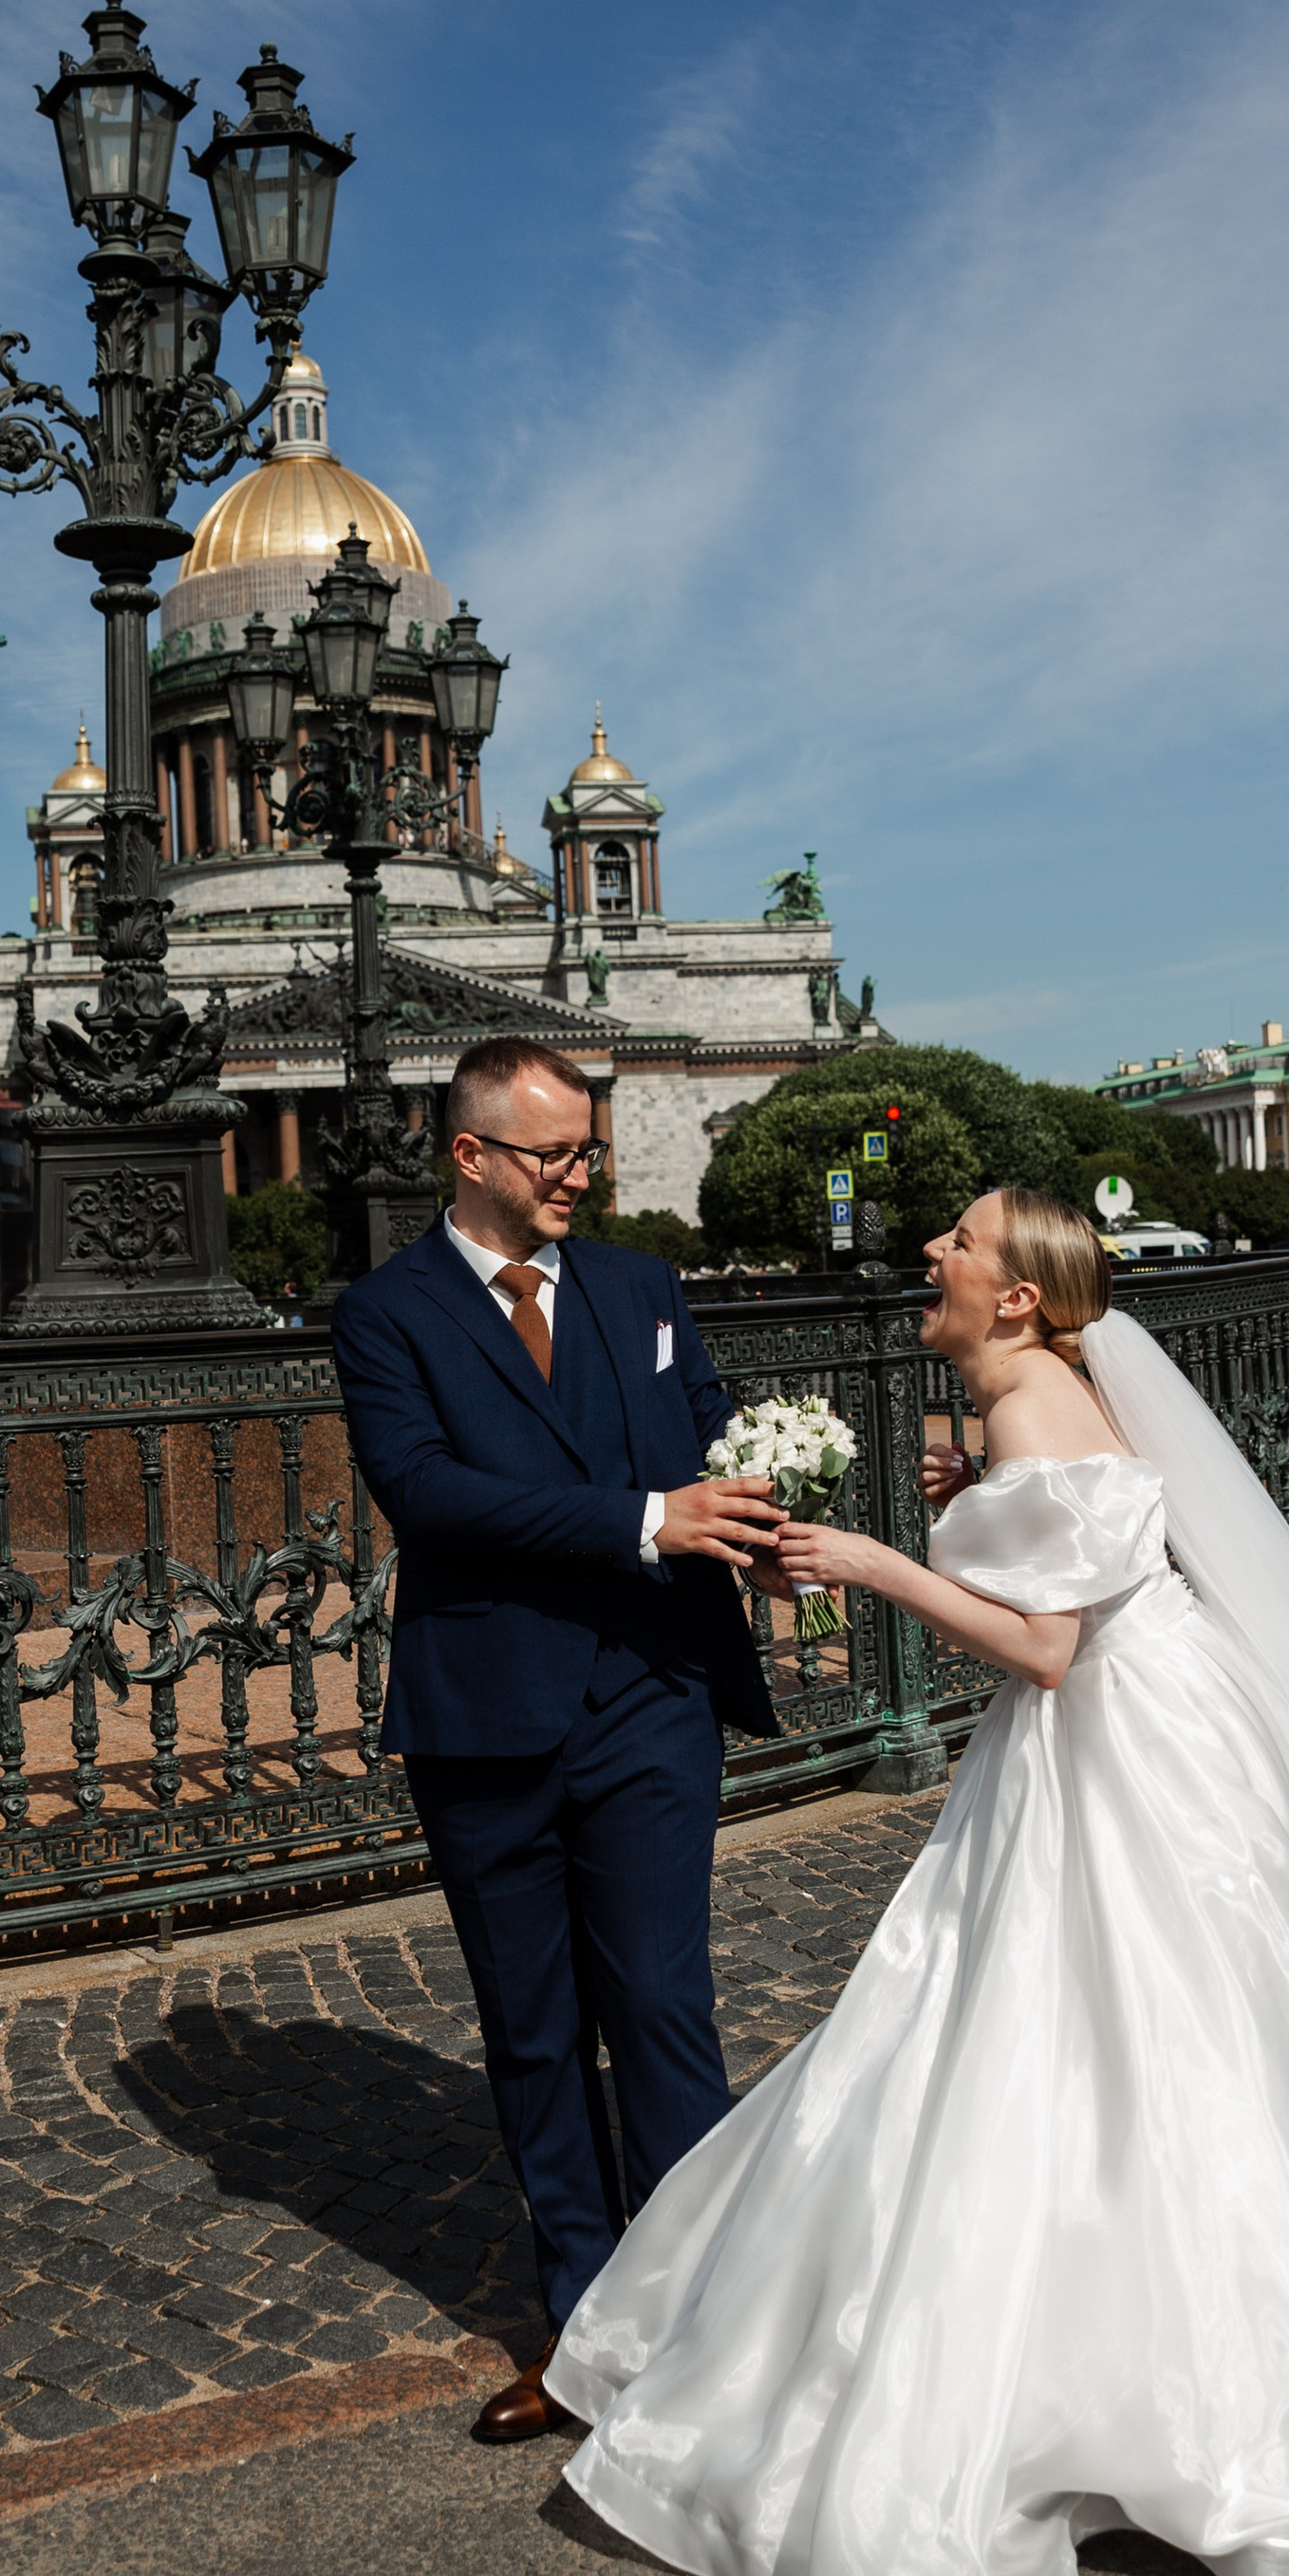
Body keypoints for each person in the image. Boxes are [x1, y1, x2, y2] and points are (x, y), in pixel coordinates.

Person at [550, 1186, 1289, 2576]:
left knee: (1056, 2029)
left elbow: (1042, 1648)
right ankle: (1209, 2369)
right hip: (1162, 1726)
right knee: (1155, 2041)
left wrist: (877, 1560)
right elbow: (1107, 1527)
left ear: (1016, 1298)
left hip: (1116, 1748)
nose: (932, 1261)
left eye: (955, 1245)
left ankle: (1106, 2395)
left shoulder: (1037, 1409)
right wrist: (977, 1495)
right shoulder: (1059, 1390)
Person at [330, 1036, 781, 2444]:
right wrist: (647, 1522)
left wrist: (765, 1513)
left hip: (652, 1694)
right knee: (532, 2035)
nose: (582, 1175)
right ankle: (586, 2339)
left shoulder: (644, 1289)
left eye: (589, 1150)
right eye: (553, 1155)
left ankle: (710, 2320)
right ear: (468, 1156)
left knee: (658, 2007)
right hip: (489, 1719)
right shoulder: (384, 1314)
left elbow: (706, 1435)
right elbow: (427, 1493)